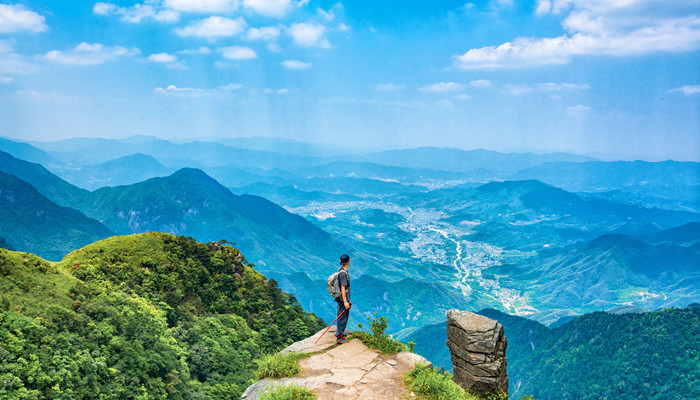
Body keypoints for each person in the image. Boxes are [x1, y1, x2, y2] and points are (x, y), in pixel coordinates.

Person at [335, 254, 351, 344]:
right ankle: (339, 336)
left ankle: (339, 332)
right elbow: (343, 288)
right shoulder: (343, 274)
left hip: (341, 298)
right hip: (343, 298)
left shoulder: (340, 270)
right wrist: (345, 301)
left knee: (341, 314)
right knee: (343, 316)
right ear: (348, 261)